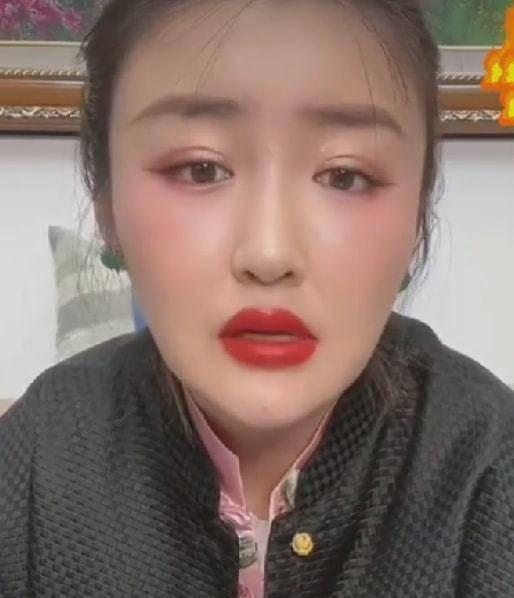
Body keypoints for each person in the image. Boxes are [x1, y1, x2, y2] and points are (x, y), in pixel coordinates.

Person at [1, 1, 513, 596]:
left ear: (417, 217)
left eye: (345, 176)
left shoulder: (491, 476)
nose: (269, 254)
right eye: (200, 169)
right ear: (107, 205)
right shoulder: (37, 463)